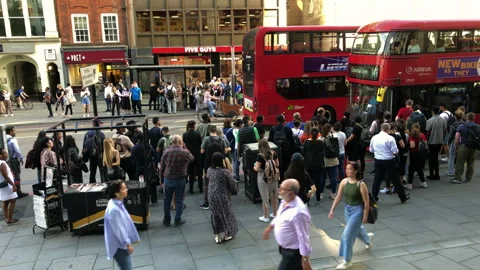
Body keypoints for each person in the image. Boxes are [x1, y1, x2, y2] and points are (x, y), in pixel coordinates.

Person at [328, 162, 374, 270]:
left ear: (356, 171)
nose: (347, 171)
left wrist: (365, 216)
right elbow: (338, 197)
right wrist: (332, 210)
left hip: (357, 211)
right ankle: (368, 239)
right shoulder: (344, 182)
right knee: (356, 230)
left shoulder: (360, 184)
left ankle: (347, 261)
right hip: (347, 210)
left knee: (347, 235)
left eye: (350, 169)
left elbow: (366, 202)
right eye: (347, 169)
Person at [262, 179, 313, 270]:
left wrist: (305, 259)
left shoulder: (299, 212)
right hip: (284, 249)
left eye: (282, 189)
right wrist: (270, 227)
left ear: (291, 193)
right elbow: (279, 216)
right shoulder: (285, 201)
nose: (279, 190)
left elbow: (303, 236)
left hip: (293, 252)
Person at [104, 180, 140, 270]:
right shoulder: (114, 209)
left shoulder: (117, 203)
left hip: (119, 245)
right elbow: (119, 230)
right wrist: (127, 244)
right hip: (119, 246)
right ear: (117, 193)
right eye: (124, 188)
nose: (126, 190)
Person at [370, 123, 410, 203]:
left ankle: (374, 197)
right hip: (389, 160)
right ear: (388, 129)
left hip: (378, 160)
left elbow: (371, 150)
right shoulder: (390, 138)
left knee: (377, 180)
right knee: (396, 180)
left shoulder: (374, 138)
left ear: (381, 128)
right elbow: (395, 151)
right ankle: (402, 197)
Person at [159, 135, 194, 227]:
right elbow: (192, 158)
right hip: (180, 178)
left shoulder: (166, 152)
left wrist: (161, 179)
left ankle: (167, 219)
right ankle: (177, 219)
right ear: (180, 142)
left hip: (168, 178)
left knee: (167, 200)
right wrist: (185, 148)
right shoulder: (185, 152)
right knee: (179, 200)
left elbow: (162, 167)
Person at [207, 152, 239, 244]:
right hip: (222, 196)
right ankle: (227, 234)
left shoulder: (210, 170)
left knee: (215, 214)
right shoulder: (224, 172)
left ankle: (217, 236)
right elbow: (232, 183)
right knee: (226, 214)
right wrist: (234, 191)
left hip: (211, 195)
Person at [254, 139, 280, 222]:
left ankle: (265, 217)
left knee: (264, 196)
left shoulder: (260, 155)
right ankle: (275, 214)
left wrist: (254, 166)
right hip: (273, 177)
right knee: (274, 195)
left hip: (263, 178)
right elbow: (277, 164)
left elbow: (257, 168)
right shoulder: (273, 153)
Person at [452, 112, 478, 184]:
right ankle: (468, 178)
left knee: (460, 162)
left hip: (464, 146)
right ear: (473, 118)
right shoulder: (477, 126)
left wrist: (456, 146)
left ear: (466, 118)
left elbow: (457, 137)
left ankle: (458, 178)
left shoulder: (462, 126)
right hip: (473, 147)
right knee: (471, 162)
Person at [6, 126, 28, 198]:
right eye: (14, 131)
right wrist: (21, 158)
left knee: (11, 175)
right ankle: (18, 192)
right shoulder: (12, 140)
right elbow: (17, 150)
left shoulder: (4, 138)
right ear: (10, 132)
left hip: (7, 160)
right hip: (14, 160)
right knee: (16, 175)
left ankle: (13, 190)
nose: (15, 132)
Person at [0, 148, 20, 225]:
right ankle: (10, 219)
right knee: (12, 200)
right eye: (5, 153)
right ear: (0, 155)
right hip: (7, 185)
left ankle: (7, 218)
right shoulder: (2, 163)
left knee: (5, 201)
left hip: (2, 185)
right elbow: (6, 176)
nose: (7, 154)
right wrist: (13, 185)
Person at [183, 120, 203, 194]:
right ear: (194, 126)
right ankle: (200, 188)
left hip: (189, 155)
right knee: (199, 172)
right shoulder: (197, 134)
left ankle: (191, 189)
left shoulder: (185, 134)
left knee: (191, 173)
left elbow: (184, 145)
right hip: (197, 155)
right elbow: (200, 144)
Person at [406, 123, 427, 189]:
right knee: (419, 168)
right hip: (420, 153)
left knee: (411, 169)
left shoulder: (411, 136)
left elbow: (412, 146)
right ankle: (423, 182)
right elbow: (425, 143)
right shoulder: (421, 135)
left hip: (413, 154)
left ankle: (409, 184)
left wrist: (407, 147)